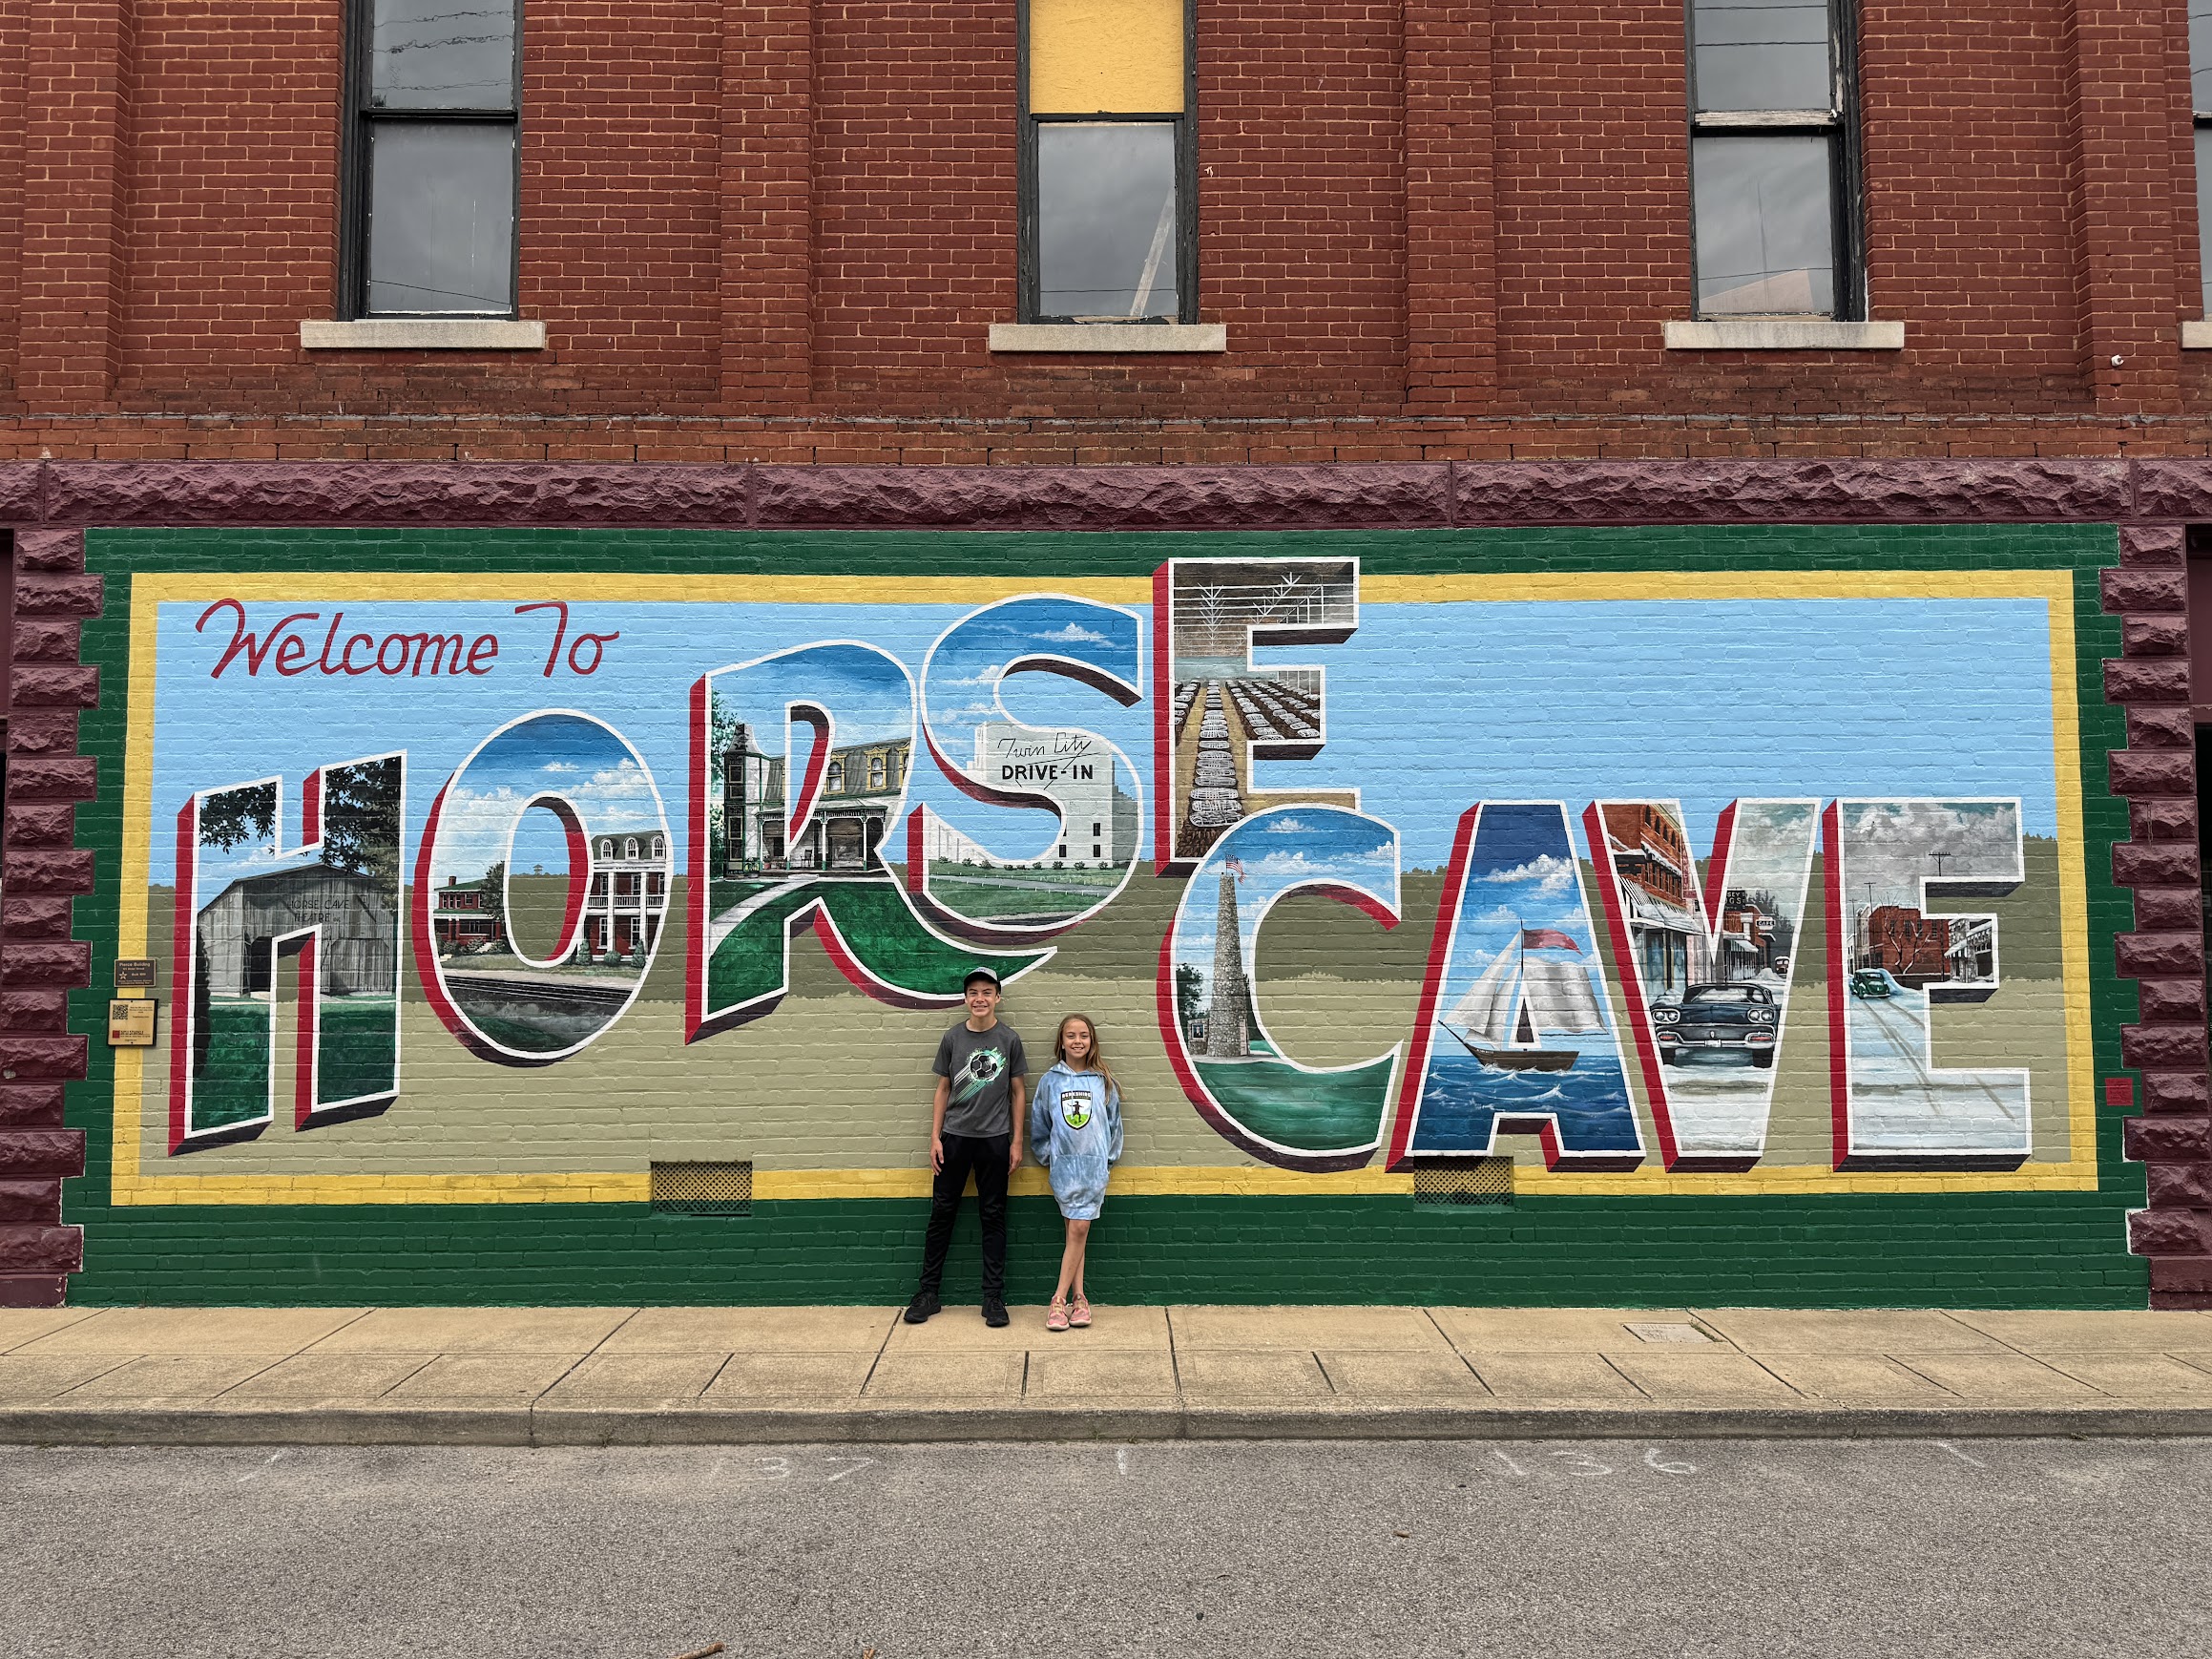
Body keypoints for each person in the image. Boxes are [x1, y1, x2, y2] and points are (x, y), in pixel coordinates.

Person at [906, 967, 1027, 1328]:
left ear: (997, 998)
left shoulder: (1009, 1040)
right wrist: (934, 1138)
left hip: (994, 1141)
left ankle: (992, 1298)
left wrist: (1016, 1141)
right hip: (955, 1140)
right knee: (942, 1215)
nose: (979, 998)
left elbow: (1018, 1092)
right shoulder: (953, 1039)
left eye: (987, 992)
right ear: (965, 998)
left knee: (993, 1217)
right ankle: (928, 1293)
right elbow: (943, 1089)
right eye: (973, 992)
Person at [1026, 1012, 1123, 1333]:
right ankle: (1080, 1299)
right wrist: (1048, 1158)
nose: (1077, 1041)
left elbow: (1113, 1126)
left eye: (1083, 1035)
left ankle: (1057, 1300)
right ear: (1061, 1042)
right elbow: (1039, 1124)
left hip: (1093, 1169)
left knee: (1078, 1230)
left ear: (1092, 1041)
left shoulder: (1102, 1082)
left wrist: (1106, 1161)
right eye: (1071, 1035)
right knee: (1075, 1233)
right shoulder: (1050, 1081)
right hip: (1065, 1170)